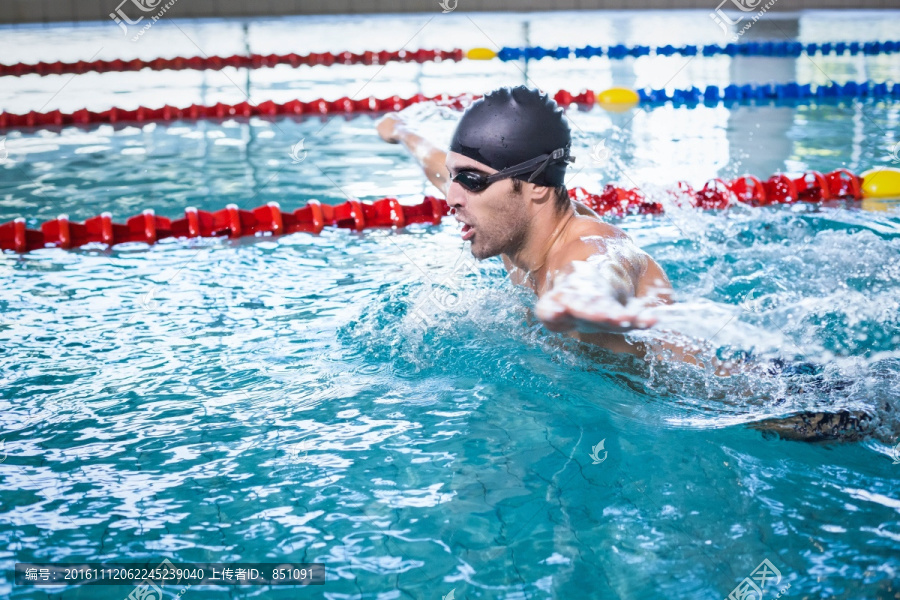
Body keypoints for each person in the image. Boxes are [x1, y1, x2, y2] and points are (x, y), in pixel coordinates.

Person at [376, 86, 873, 441]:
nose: (452, 195)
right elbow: (439, 161)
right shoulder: (505, 218)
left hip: (779, 403)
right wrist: (403, 131)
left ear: (536, 188)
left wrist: (578, 304)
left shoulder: (588, 246)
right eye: (453, 178)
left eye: (471, 181)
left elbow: (598, 272)